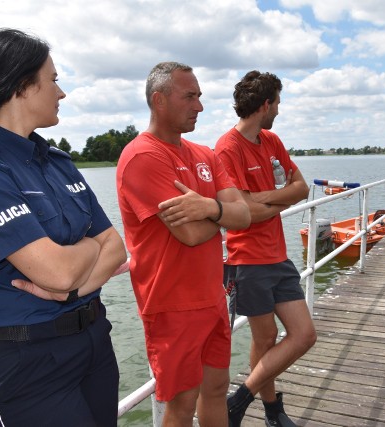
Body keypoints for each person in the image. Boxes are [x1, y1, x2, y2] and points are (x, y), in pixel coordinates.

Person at [0, 28, 127, 427]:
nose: (62, 92)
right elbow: (57, 270)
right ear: (21, 86)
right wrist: (86, 253)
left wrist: (72, 286)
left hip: (92, 341)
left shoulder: (58, 162)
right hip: (24, 361)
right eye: (53, 79)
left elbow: (115, 247)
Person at [116, 61, 250, 426]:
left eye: (199, 97)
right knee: (181, 404)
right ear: (159, 100)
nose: (199, 107)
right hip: (171, 305)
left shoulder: (204, 154)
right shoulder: (143, 156)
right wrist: (224, 215)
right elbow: (189, 234)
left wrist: (208, 207)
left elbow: (245, 215)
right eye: (189, 96)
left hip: (212, 296)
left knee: (217, 387)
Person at [215, 70, 317, 427]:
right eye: (277, 102)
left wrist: (263, 201)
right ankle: (273, 411)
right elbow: (241, 213)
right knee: (267, 337)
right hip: (247, 260)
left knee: (304, 334)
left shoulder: (271, 141)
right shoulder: (227, 149)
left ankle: (240, 399)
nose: (279, 109)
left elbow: (301, 188)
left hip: (277, 254)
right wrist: (270, 203)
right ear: (265, 104)